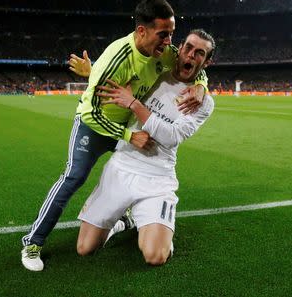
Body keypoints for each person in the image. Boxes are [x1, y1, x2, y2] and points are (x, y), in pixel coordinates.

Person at [21, 0, 209, 271]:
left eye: (171, 34)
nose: (169, 42)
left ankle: (133, 217)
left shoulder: (164, 52)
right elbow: (91, 114)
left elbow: (191, 64)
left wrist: (201, 86)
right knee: (73, 178)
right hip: (97, 127)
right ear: (141, 31)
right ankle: (33, 242)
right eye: (163, 34)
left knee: (134, 171)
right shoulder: (116, 59)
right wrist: (128, 135)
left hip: (128, 127)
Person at [76, 29, 215, 265]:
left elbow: (171, 136)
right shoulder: (155, 72)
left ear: (207, 61)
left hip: (157, 178)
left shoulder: (202, 101)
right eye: (189, 48)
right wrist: (93, 71)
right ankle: (124, 221)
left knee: (155, 256)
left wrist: (133, 104)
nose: (191, 55)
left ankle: (153, 226)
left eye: (199, 53)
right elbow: (117, 75)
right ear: (179, 49)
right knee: (85, 248)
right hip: (122, 166)